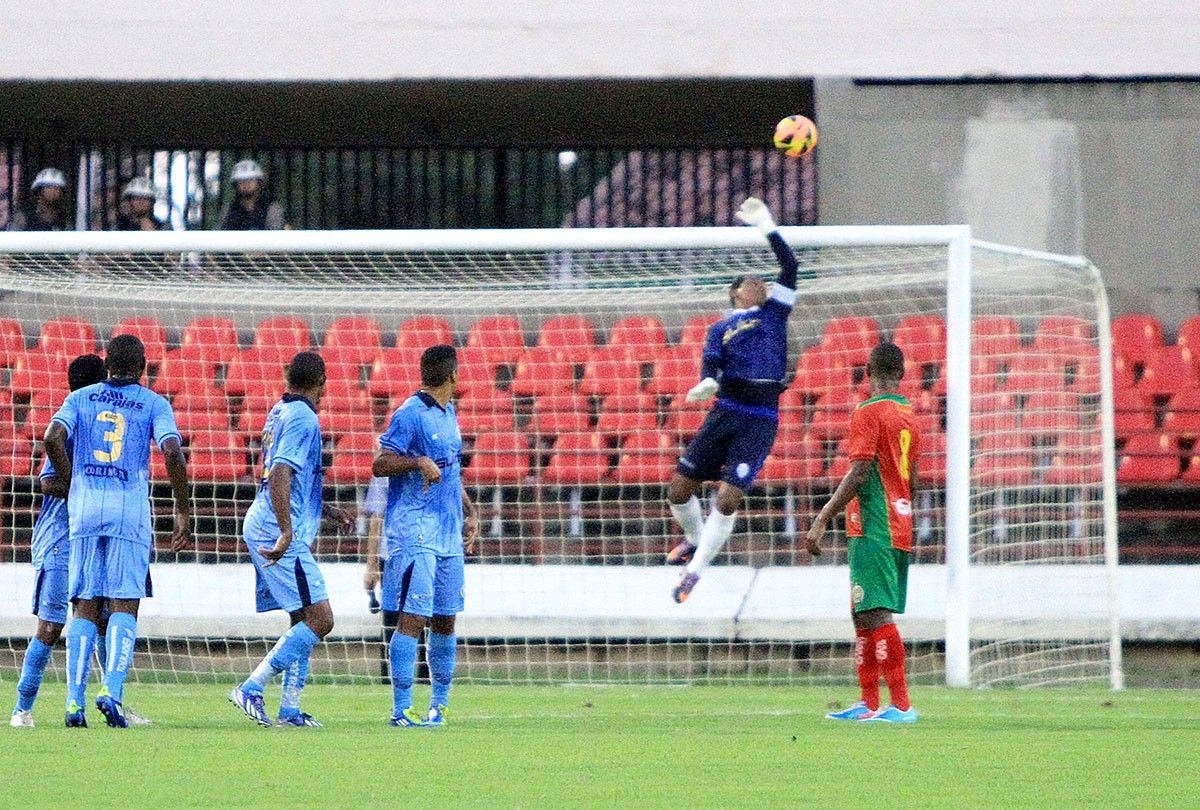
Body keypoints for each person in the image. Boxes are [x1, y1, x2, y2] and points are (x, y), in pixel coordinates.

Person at [44, 335, 192, 728]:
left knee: (85, 604)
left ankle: (74, 702)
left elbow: (51, 438)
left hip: (86, 510)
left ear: (107, 363)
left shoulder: (81, 398)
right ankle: (111, 690)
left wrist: (75, 479)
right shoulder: (153, 403)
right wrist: (182, 506)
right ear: (143, 365)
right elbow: (173, 451)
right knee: (124, 603)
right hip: (129, 512)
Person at [665, 197, 807, 603]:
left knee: (728, 497)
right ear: (734, 294)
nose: (760, 283)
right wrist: (705, 383)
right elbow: (710, 365)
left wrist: (766, 225)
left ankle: (694, 573)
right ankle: (694, 540)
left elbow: (790, 267)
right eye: (750, 280)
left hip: (760, 414)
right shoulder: (719, 329)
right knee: (678, 490)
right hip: (726, 408)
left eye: (762, 280)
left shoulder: (775, 312)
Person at [806, 342, 920, 724]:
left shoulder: (868, 411)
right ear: (902, 374)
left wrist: (823, 516)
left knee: (875, 610)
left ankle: (901, 706)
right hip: (896, 519)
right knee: (861, 609)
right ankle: (869, 703)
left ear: (868, 372)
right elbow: (911, 478)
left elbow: (860, 471)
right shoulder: (908, 414)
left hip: (875, 521)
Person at [229, 351, 338, 728]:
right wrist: (287, 530)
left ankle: (290, 709)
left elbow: (291, 476)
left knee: (302, 617)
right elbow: (279, 474)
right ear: (321, 381)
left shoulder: (279, 411)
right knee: (321, 619)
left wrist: (325, 509)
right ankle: (251, 688)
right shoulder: (304, 418)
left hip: (267, 519)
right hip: (275, 527)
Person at [373, 344, 479, 727]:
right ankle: (401, 708)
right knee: (413, 617)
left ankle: (439, 705)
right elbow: (380, 464)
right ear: (454, 374)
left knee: (446, 618)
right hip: (414, 528)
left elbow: (448, 470)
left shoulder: (450, 412)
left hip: (448, 529)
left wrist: (469, 511)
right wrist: (416, 461)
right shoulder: (409, 414)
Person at [10, 355, 106, 727]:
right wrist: (85, 488)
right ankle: (22, 707)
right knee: (50, 627)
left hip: (92, 537)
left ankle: (109, 699)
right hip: (60, 539)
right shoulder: (70, 426)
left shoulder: (102, 427)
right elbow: (47, 482)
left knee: (105, 620)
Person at [216, 159, 286, 231]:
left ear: (259, 183)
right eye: (241, 180)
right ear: (235, 185)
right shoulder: (228, 211)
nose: (246, 184)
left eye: (251, 179)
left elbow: (276, 238)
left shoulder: (272, 210)